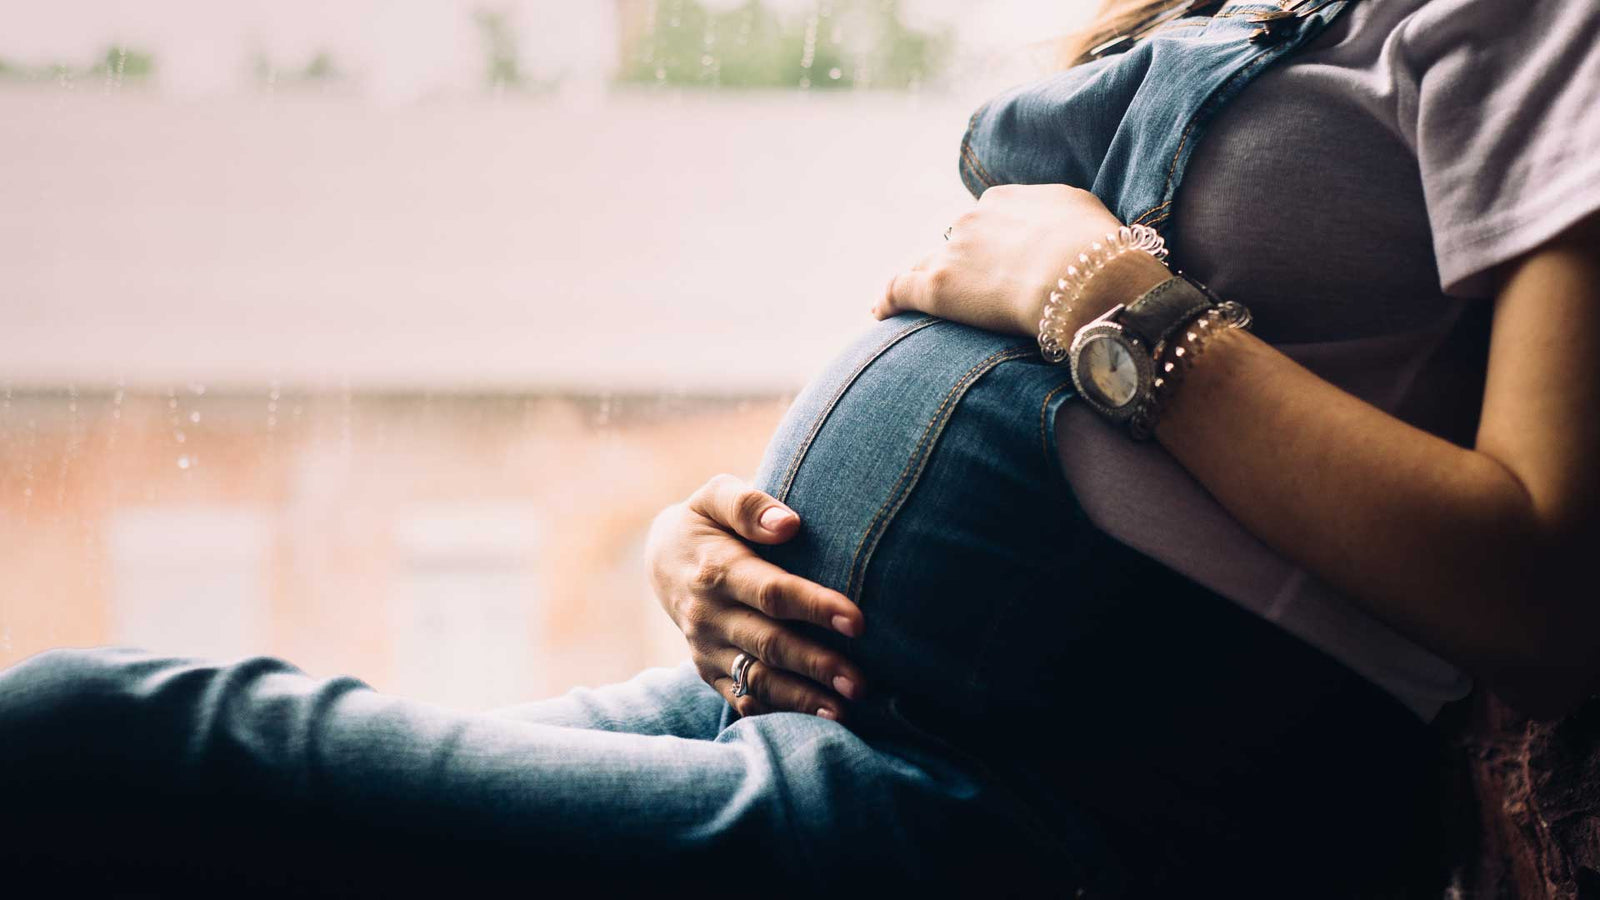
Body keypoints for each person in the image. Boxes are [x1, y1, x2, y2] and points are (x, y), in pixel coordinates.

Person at [2, 0, 1596, 895]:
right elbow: (963, 352)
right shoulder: (1211, 6)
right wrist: (716, 549)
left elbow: (1542, 581)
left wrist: (1108, 304)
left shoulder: (1537, 25)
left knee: (101, 742)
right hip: (821, 702)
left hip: (1085, 802)